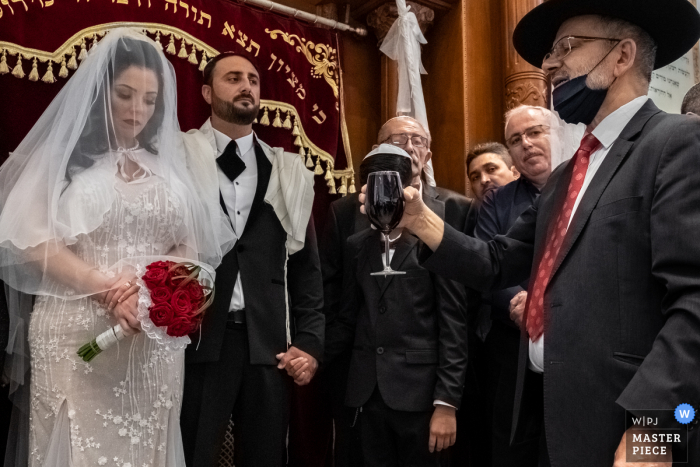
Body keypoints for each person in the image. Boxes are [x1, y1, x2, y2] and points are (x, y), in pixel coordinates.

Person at [360, 0, 700, 465]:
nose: (548, 64)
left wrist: (655, 436)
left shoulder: (677, 143)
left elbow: (694, 304)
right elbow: (496, 262)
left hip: (625, 428)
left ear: (622, 56)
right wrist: (416, 219)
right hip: (542, 419)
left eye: (567, 46)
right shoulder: (565, 177)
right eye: (548, 53)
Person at [0, 29, 235, 466]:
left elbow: (191, 241)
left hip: (148, 338)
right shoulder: (60, 157)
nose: (137, 110)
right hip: (75, 332)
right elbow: (29, 240)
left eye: (149, 99)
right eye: (125, 95)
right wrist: (103, 287)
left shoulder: (170, 165)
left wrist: (156, 292)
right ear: (99, 93)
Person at [179, 52, 324, 467]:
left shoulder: (289, 170)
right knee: (192, 454)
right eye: (233, 78)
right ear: (207, 92)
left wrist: (310, 344)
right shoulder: (179, 154)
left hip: (269, 347)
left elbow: (306, 269)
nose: (247, 86)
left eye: (254, 80)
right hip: (198, 342)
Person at [319, 116, 474, 466]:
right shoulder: (357, 241)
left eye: (416, 140)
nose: (407, 147)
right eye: (397, 140)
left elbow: (454, 320)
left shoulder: (439, 231)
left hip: (420, 395)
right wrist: (312, 352)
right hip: (365, 394)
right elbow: (345, 314)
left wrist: (446, 403)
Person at [474, 105, 557, 466]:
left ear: (556, 133)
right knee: (513, 449)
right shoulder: (498, 200)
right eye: (515, 139)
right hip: (513, 347)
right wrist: (518, 300)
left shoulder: (584, 185)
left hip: (578, 345)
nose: (526, 144)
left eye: (535, 132)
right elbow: (486, 262)